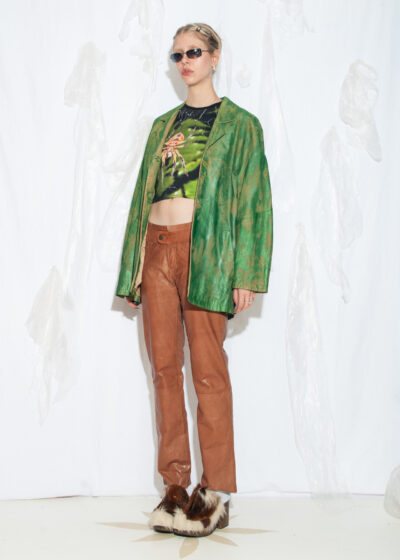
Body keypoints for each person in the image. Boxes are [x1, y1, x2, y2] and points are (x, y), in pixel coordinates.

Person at [115, 22, 273, 537]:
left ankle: (216, 492)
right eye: (177, 54)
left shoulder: (241, 125)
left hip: (206, 254)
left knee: (208, 373)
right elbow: (143, 196)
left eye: (194, 52)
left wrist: (246, 272)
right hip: (157, 250)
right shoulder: (163, 125)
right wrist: (135, 266)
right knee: (164, 371)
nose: (185, 61)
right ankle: (176, 486)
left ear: (214, 56)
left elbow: (254, 200)